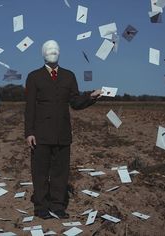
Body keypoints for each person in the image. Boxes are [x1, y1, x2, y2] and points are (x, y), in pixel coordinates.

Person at [24, 40, 102, 219]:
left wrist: (90, 97)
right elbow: (29, 107)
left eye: (56, 50)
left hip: (62, 134)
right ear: (42, 53)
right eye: (49, 50)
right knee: (40, 172)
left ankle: (58, 206)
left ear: (60, 53)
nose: (53, 52)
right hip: (41, 134)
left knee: (60, 172)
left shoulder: (69, 76)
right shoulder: (34, 76)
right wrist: (29, 132)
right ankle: (41, 207)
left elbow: (75, 102)